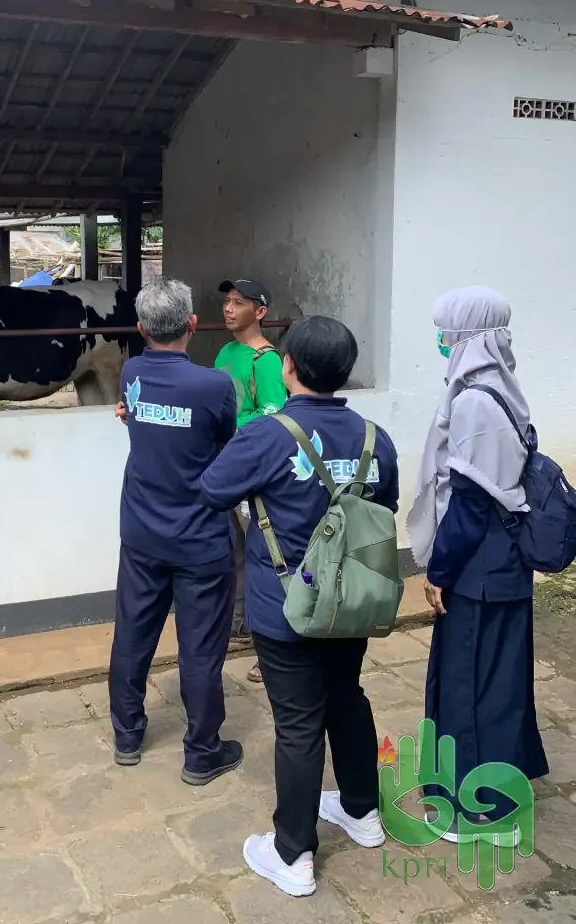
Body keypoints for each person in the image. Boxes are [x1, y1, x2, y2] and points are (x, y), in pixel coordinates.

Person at [201, 316, 399, 897]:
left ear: (287, 367)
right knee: (347, 697)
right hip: (353, 602)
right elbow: (382, 506)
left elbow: (214, 490)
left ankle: (293, 853)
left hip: (285, 606)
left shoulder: (267, 435)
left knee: (298, 724)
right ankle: (362, 812)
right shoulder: (375, 438)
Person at [408, 287, 547, 841]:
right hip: (505, 563)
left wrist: (438, 572)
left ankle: (472, 809)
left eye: (447, 332)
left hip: (478, 571)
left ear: (468, 335)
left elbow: (468, 503)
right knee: (501, 682)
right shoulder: (501, 388)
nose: (443, 341)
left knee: (467, 685)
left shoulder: (473, 402)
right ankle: (503, 795)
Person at [109, 277, 243, 785]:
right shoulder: (214, 386)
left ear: (141, 328)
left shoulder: (131, 371)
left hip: (142, 531)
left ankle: (127, 735)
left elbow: (142, 424)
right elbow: (227, 441)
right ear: (192, 324)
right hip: (200, 537)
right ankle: (201, 751)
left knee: (132, 635)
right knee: (200, 649)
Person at [215, 279, 287, 683]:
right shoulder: (226, 352)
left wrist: (226, 422)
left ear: (259, 312)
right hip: (227, 465)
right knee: (235, 552)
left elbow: (273, 413)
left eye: (239, 303)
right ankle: (240, 622)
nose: (228, 308)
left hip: (253, 471)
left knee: (263, 557)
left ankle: (269, 650)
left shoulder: (267, 361)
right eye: (227, 301)